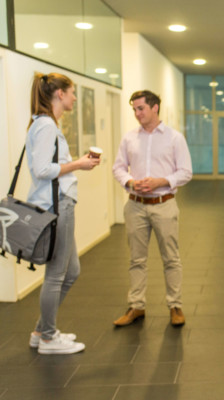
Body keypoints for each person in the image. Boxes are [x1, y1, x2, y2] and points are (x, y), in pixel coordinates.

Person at [26, 72, 100, 354]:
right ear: (59, 94)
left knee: (71, 271)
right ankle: (47, 337)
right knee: (57, 274)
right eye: (71, 92)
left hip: (61, 203)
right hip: (57, 204)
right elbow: (42, 170)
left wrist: (76, 163)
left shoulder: (46, 124)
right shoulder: (45, 125)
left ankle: (41, 330)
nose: (73, 98)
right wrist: (78, 164)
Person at [112, 90, 192, 327]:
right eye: (134, 109)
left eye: (141, 108)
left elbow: (186, 171)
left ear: (155, 108)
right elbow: (118, 168)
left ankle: (175, 305)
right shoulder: (129, 139)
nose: (137, 113)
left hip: (163, 204)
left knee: (171, 258)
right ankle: (136, 306)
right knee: (136, 259)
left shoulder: (174, 138)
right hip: (135, 206)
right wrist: (130, 182)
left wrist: (162, 181)